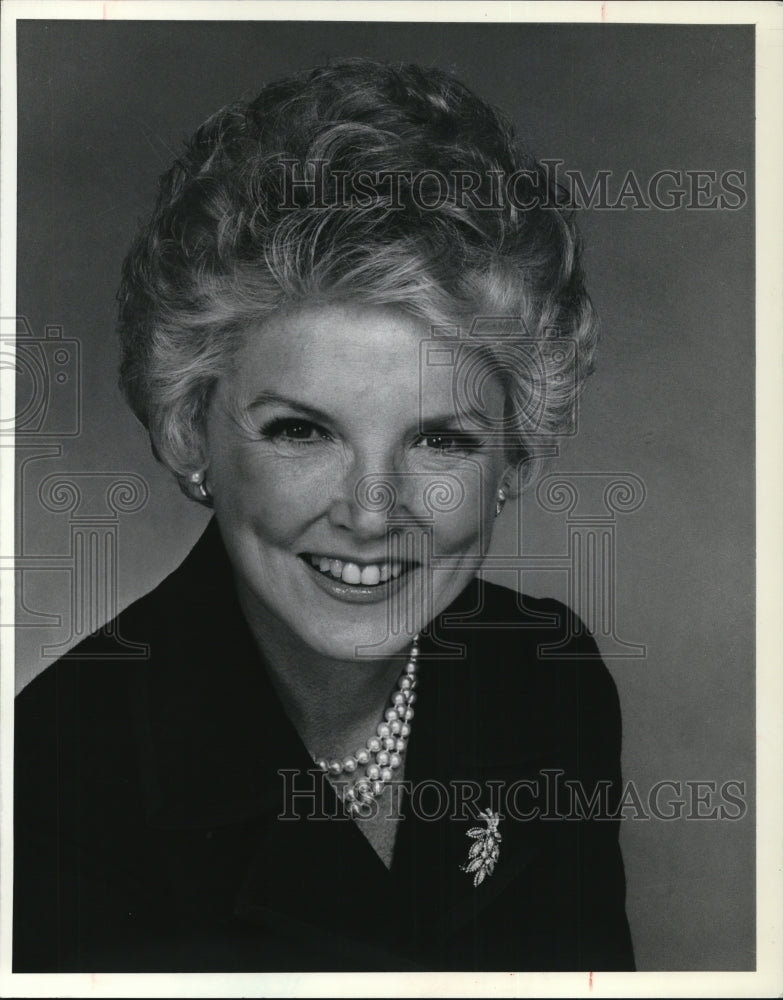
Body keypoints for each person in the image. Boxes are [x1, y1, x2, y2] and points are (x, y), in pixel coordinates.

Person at [13, 58, 634, 972]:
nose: (372, 512)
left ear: (513, 455)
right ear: (190, 433)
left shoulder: (544, 678)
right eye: (302, 430)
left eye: (441, 441)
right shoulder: (53, 779)